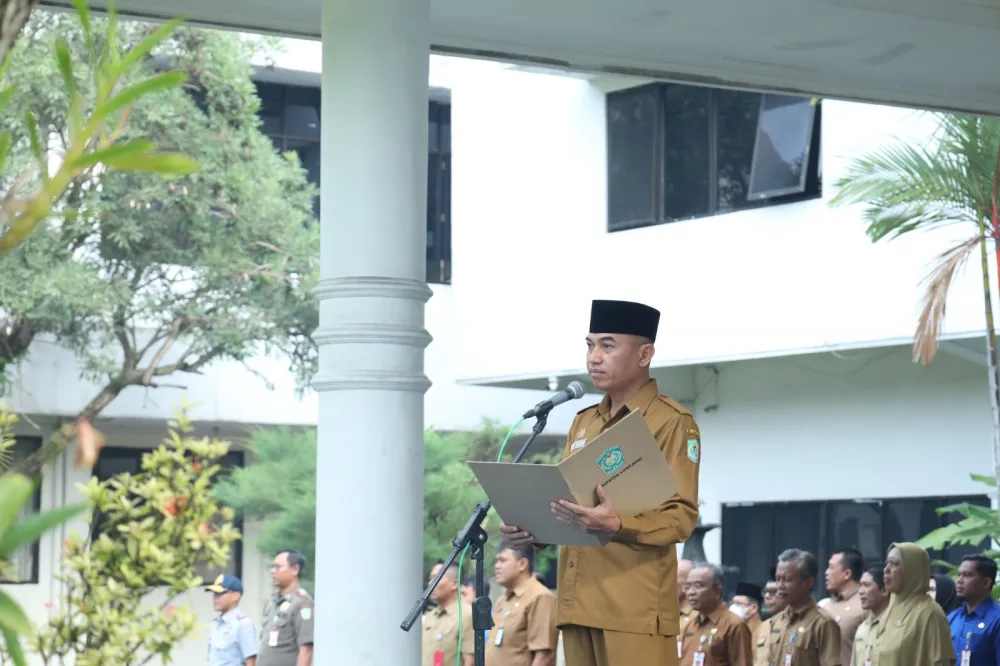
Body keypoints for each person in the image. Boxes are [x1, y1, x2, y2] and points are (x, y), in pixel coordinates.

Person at [500, 299, 701, 666]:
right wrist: (534, 531)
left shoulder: (670, 421)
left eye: (608, 346)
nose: (594, 357)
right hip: (578, 604)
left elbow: (681, 517)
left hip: (633, 609)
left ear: (645, 354)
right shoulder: (583, 421)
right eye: (589, 345)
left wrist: (618, 525)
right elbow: (567, 501)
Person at [871, 542, 954, 666]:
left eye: (894, 564)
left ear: (912, 570)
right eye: (887, 563)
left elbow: (941, 661)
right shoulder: (890, 608)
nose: (886, 570)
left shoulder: (930, 613)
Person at [764, 549, 841, 666]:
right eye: (778, 579)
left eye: (787, 580)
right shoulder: (776, 621)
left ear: (808, 583)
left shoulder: (822, 623)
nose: (780, 586)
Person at [486, 545, 558, 666]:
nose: (497, 566)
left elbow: (544, 656)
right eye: (496, 561)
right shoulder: (502, 600)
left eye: (502, 560)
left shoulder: (540, 596)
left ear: (522, 564)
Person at [679, 563, 752, 666]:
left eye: (698, 586)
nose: (691, 592)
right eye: (688, 587)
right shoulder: (690, 625)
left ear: (717, 590)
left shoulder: (734, 625)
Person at [258, 549, 314, 666]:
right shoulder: (272, 603)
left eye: (278, 567)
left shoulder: (302, 603)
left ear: (295, 569)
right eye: (272, 567)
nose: (273, 571)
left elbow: (306, 649)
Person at [948, 553, 1000, 665]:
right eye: (959, 575)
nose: (959, 581)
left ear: (986, 582)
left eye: (967, 575)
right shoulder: (952, 618)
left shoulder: (997, 620)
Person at [820, 548, 866, 666]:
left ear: (847, 574)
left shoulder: (865, 605)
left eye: (831, 567)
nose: (826, 572)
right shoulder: (823, 606)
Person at [422, 562, 474, 666]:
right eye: (430, 578)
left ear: (454, 584)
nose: (431, 583)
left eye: (436, 578)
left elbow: (470, 661)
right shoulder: (430, 616)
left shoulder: (467, 614)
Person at [206, 574, 258, 666]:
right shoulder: (216, 623)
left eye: (220, 594)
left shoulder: (243, 624)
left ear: (236, 596)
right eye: (214, 594)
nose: (215, 598)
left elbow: (250, 661)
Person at [850, 565, 889, 666]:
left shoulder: (895, 626)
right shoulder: (862, 628)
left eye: (866, 585)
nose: (860, 591)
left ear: (884, 590)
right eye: (860, 585)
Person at [754, 570, 786, 666]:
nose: (767, 596)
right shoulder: (763, 626)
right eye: (765, 592)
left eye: (772, 592)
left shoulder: (794, 624)